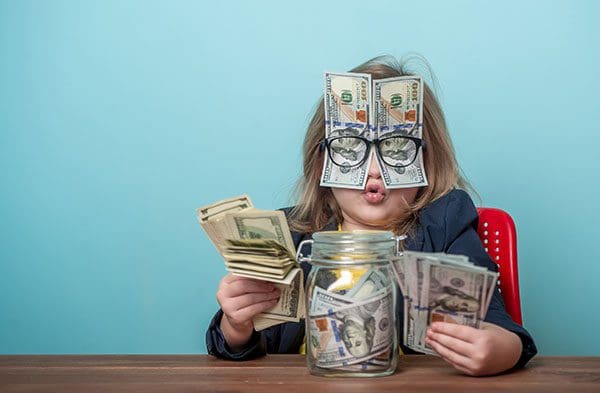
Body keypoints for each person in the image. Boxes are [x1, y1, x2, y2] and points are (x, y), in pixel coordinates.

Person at [206, 55, 537, 376]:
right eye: (350, 148)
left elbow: (499, 327)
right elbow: (240, 349)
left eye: (397, 149)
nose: (374, 170)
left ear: (426, 161)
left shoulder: (445, 225)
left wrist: (501, 349)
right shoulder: (291, 236)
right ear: (321, 161)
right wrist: (237, 324)